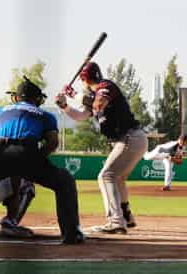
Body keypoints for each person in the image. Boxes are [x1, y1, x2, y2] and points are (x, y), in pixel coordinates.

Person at [0, 76, 84, 244]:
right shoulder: (45, 115)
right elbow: (53, 143)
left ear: (16, 97)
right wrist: (35, 161)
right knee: (65, 181)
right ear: (37, 99)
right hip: (27, 150)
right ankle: (71, 235)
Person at [55, 62, 147, 234]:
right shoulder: (94, 94)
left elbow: (98, 104)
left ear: (84, 79)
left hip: (129, 137)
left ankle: (115, 221)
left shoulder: (105, 86)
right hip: (132, 139)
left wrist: (73, 94)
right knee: (117, 178)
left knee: (106, 176)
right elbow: (81, 115)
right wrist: (64, 106)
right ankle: (126, 216)